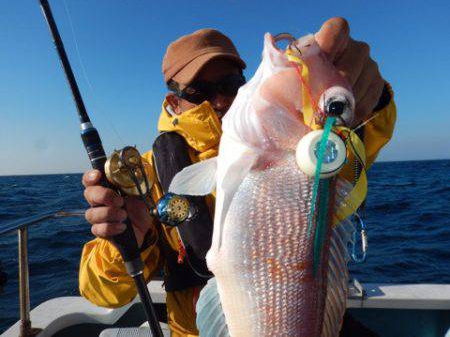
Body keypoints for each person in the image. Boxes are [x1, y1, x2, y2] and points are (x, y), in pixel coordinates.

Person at [79, 17, 396, 337]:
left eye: (229, 85)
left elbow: (355, 144)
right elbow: (100, 293)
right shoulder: (146, 177)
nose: (219, 100)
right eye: (198, 90)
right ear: (174, 102)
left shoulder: (311, 144)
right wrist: (123, 244)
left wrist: (371, 101)